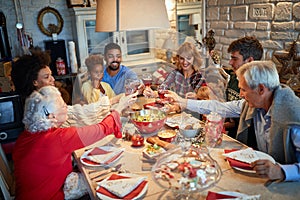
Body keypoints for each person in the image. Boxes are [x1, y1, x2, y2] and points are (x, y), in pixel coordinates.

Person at [166, 61, 300, 182]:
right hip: (262, 176)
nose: (240, 94)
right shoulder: (252, 104)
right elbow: (219, 107)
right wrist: (183, 102)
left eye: (243, 89)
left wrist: (282, 171)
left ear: (261, 89)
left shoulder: (293, 117)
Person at [12, 85, 137, 199]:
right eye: (63, 106)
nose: (66, 106)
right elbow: (102, 129)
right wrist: (119, 107)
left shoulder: (25, 136)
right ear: (51, 116)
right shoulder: (58, 138)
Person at [11, 51, 112, 127]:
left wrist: (113, 101)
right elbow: (78, 115)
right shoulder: (41, 114)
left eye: (51, 75)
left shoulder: (48, 102)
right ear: (34, 82)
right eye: (46, 77)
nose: (53, 79)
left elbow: (75, 112)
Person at [224, 36, 264, 137]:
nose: (230, 62)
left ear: (249, 61)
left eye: (234, 58)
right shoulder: (233, 78)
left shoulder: (260, 90)